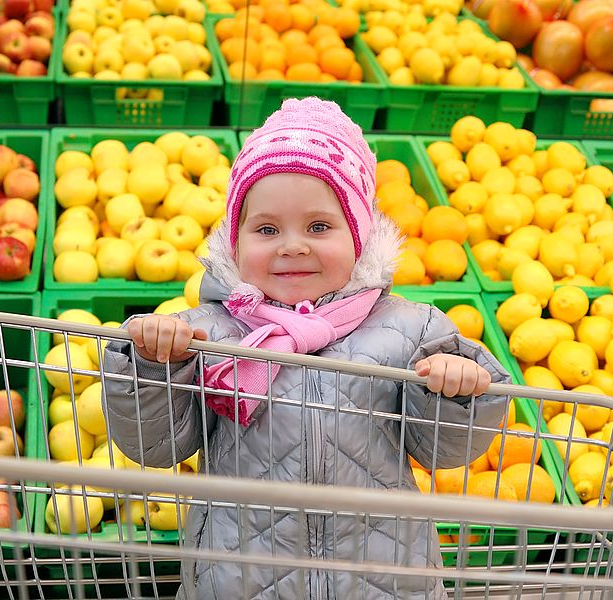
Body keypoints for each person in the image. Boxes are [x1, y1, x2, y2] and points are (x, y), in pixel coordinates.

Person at [102, 97, 512, 599]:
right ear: (236, 240)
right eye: (267, 229)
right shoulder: (207, 333)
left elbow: (443, 452)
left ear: (358, 235)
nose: (292, 246)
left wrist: (456, 391)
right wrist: (151, 367)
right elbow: (156, 446)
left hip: (382, 575)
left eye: (319, 227)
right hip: (240, 575)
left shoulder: (414, 329)